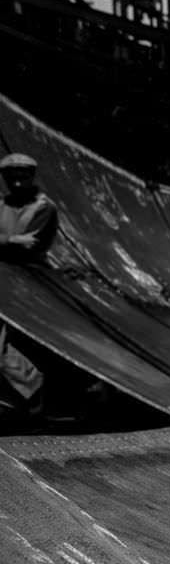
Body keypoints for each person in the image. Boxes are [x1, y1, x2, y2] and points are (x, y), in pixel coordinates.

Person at [0, 153, 59, 421]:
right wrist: (12, 240)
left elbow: (30, 245)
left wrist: (6, 241)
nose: (17, 184)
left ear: (31, 177)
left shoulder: (43, 207)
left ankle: (33, 392)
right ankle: (26, 395)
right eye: (11, 179)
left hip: (28, 283)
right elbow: (17, 242)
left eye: (22, 178)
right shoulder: (2, 204)